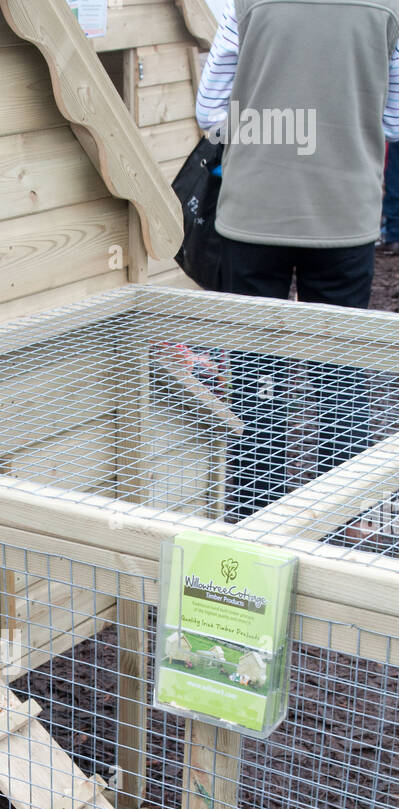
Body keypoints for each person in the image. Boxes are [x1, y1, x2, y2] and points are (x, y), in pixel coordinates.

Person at [196, 0, 399, 519]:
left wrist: (273, 137)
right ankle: (338, 528)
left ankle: (255, 522)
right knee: (343, 379)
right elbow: (394, 119)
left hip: (254, 212)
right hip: (343, 215)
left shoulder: (245, 2)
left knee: (253, 374)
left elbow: (211, 115)